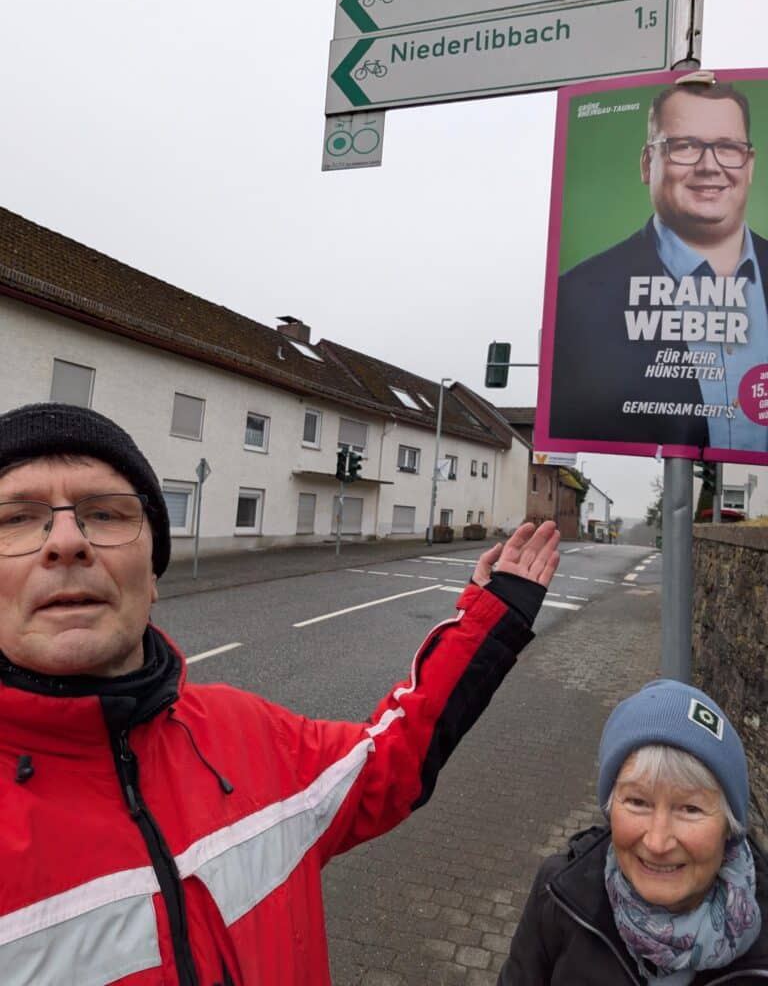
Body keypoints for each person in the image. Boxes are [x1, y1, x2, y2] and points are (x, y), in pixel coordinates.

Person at [0, 401, 560, 986]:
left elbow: (390, 761)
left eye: (105, 514)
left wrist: (493, 617)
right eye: (15, 518)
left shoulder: (248, 733)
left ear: (154, 575)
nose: (65, 541)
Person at [497, 679, 768, 984]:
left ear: (729, 826)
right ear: (611, 808)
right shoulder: (558, 895)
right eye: (638, 802)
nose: (657, 841)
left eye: (690, 809)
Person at [550, 80, 768, 452]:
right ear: (648, 163)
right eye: (685, 146)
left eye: (728, 148)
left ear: (749, 165)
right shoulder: (575, 297)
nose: (709, 167)